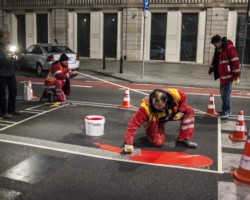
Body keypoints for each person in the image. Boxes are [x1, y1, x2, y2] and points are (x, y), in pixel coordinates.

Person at [122, 88, 197, 154]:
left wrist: (181, 112)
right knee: (158, 143)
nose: (157, 107)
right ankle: (149, 129)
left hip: (169, 114)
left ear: (166, 101)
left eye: (160, 106)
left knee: (189, 111)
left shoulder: (174, 94)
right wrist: (128, 144)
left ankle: (183, 140)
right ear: (153, 99)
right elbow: (132, 125)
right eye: (155, 105)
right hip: (156, 121)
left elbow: (183, 97)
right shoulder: (145, 107)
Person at [208, 35, 241, 119]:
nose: (214, 46)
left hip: (228, 76)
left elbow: (235, 61)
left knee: (226, 95)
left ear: (219, 42)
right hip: (223, 75)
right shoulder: (219, 49)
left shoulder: (229, 48)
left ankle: (227, 111)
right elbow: (215, 60)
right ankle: (225, 110)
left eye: (215, 44)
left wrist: (236, 75)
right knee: (223, 94)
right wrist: (211, 69)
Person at [0, 29, 20, 119]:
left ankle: (12, 109)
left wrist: (15, 57)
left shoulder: (10, 45)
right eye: (5, 37)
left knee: (13, 92)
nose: (7, 39)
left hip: (11, 72)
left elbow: (15, 53)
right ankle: (4, 112)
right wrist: (4, 58)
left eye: (8, 37)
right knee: (2, 93)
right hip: (1, 73)